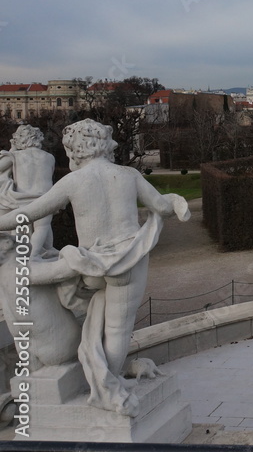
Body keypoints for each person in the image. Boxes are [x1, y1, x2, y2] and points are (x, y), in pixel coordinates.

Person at [0, 119, 190, 416]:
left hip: (90, 264)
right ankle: (107, 386)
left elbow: (27, 214)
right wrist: (177, 202)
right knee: (117, 329)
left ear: (74, 149)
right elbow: (162, 207)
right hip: (129, 259)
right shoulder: (128, 174)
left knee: (93, 315)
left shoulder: (72, 181)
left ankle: (96, 376)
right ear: (104, 143)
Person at [0, 124, 55, 256]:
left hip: (23, 198)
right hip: (45, 198)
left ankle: (25, 257)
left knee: (22, 229)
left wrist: (12, 150)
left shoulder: (16, 156)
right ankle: (38, 254)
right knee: (43, 228)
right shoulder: (49, 157)